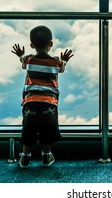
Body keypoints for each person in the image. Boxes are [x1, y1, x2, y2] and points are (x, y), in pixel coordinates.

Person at [11, 25, 74, 169]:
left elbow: (22, 60)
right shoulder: (55, 62)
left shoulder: (29, 60)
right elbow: (61, 67)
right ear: (50, 44)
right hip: (49, 103)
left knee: (28, 130)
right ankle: (46, 156)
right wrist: (65, 60)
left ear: (32, 45)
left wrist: (20, 55)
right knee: (48, 130)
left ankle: (25, 158)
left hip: (30, 102)